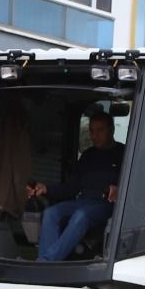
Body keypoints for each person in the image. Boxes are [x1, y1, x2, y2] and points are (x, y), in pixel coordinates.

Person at [29, 112, 124, 262]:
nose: (95, 135)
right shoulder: (87, 156)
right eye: (92, 131)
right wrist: (46, 189)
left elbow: (134, 185)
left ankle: (46, 263)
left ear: (111, 130)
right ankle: (46, 263)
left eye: (100, 130)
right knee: (51, 213)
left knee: (81, 215)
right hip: (83, 201)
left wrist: (120, 189)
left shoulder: (123, 153)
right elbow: (71, 188)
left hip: (106, 205)